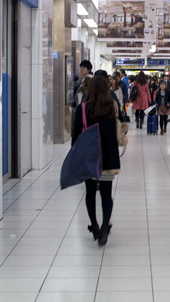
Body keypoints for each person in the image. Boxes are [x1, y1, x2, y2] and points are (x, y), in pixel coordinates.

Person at [71, 76, 120, 246]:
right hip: (106, 159)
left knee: (90, 191)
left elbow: (75, 135)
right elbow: (113, 137)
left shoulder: (83, 109)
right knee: (106, 193)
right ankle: (106, 225)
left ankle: (95, 225)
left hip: (89, 159)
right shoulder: (110, 109)